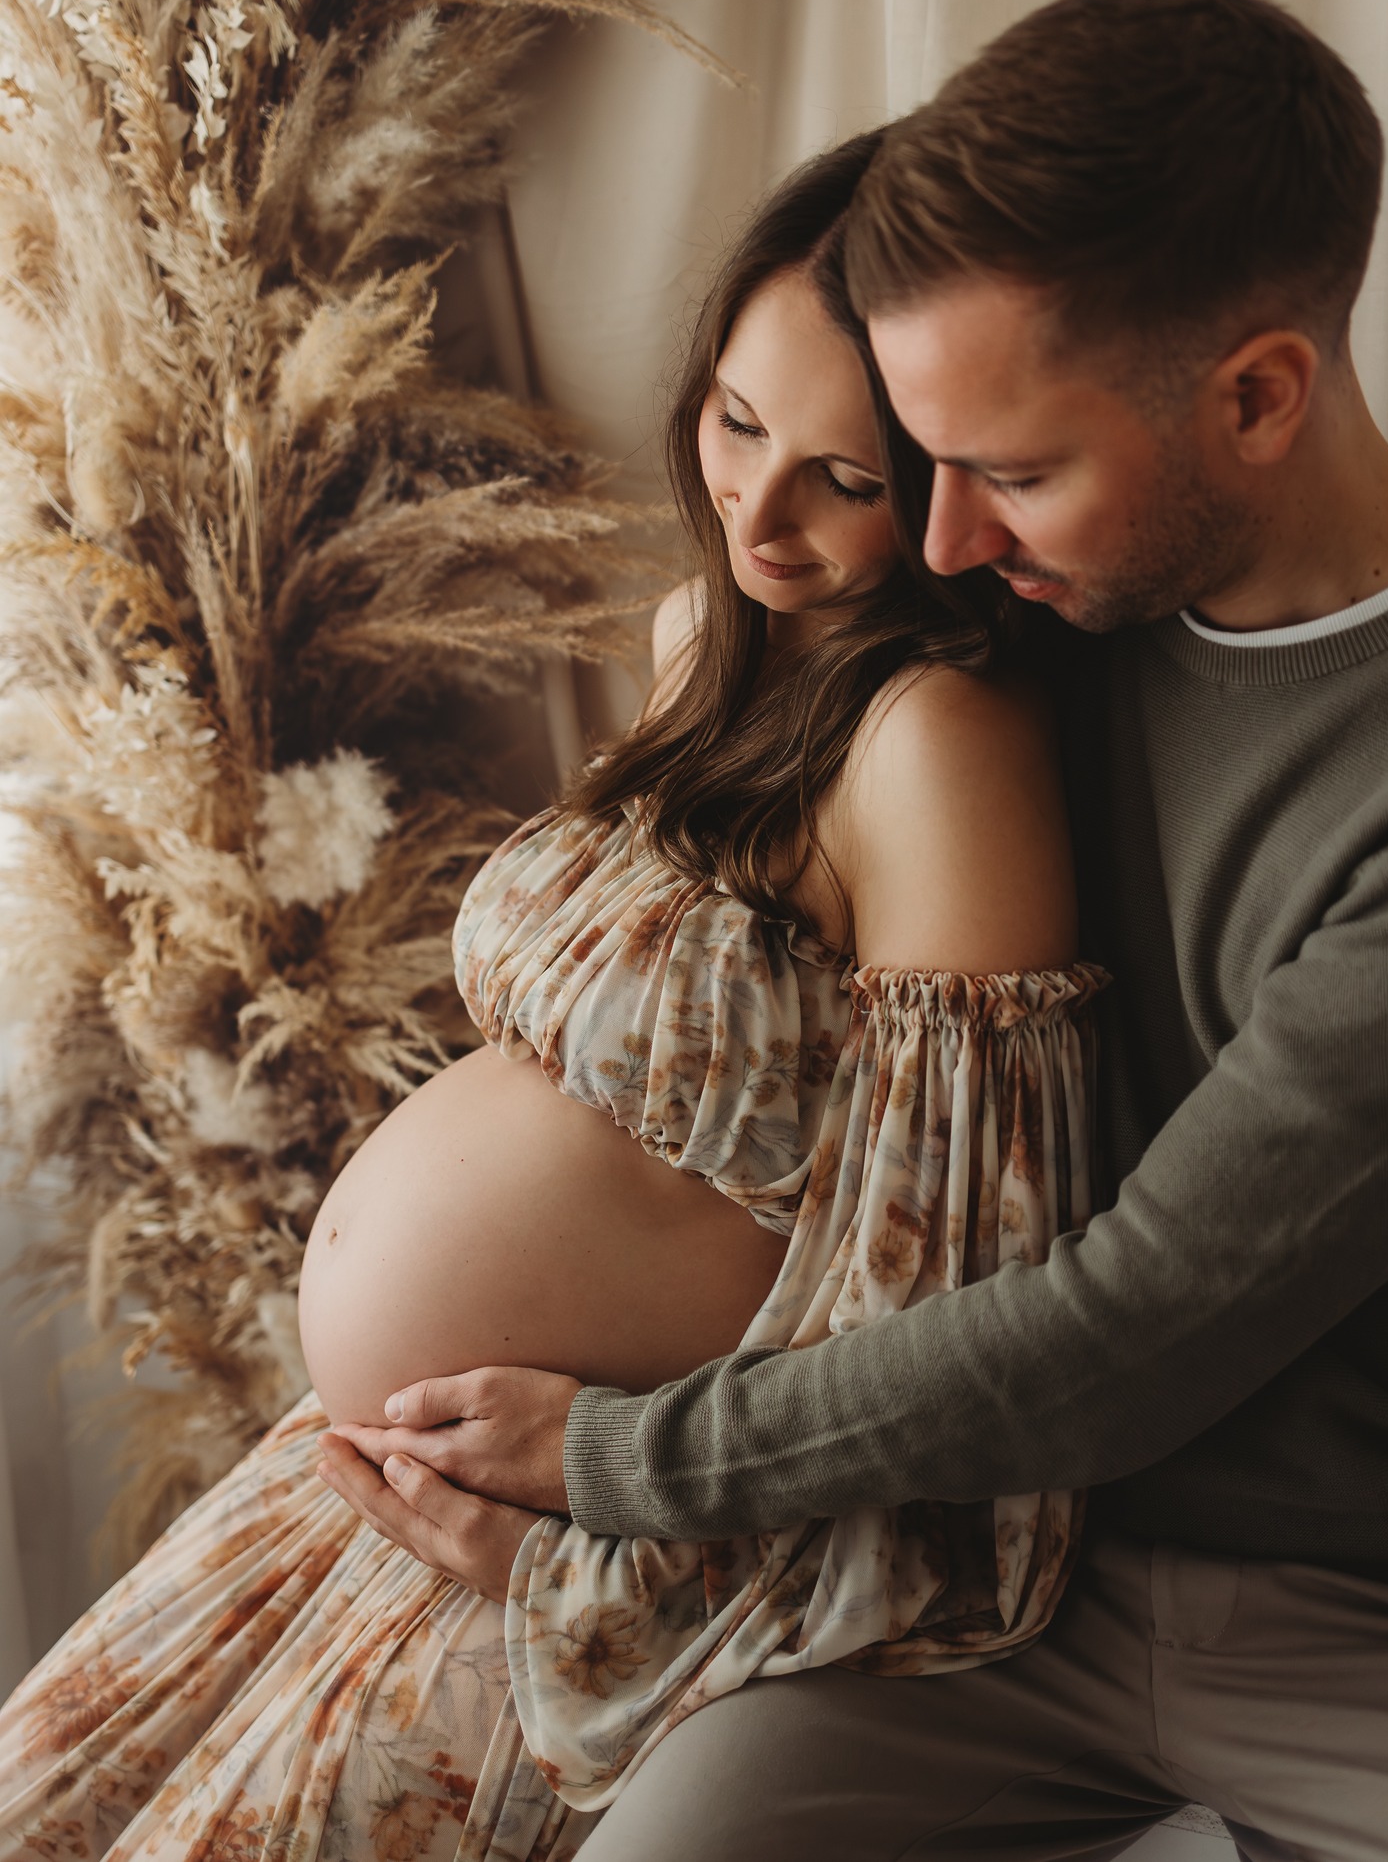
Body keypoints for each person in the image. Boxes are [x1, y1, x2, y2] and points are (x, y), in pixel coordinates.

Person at [346, 0, 1388, 1861]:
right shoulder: (1029, 603)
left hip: (1376, 1618)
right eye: (918, 470)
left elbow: (1139, 1324)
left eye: (1008, 476)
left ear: (1261, 395)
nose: (938, 548)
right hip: (990, 1576)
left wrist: (612, 1469)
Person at [0, 136, 1100, 1859]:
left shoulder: (938, 745)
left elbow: (955, 1312)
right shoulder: (699, 646)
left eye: (850, 480)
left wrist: (605, 1545)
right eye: (737, 424)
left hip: (591, 1551)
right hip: (375, 1484)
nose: (760, 516)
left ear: (955, 493)